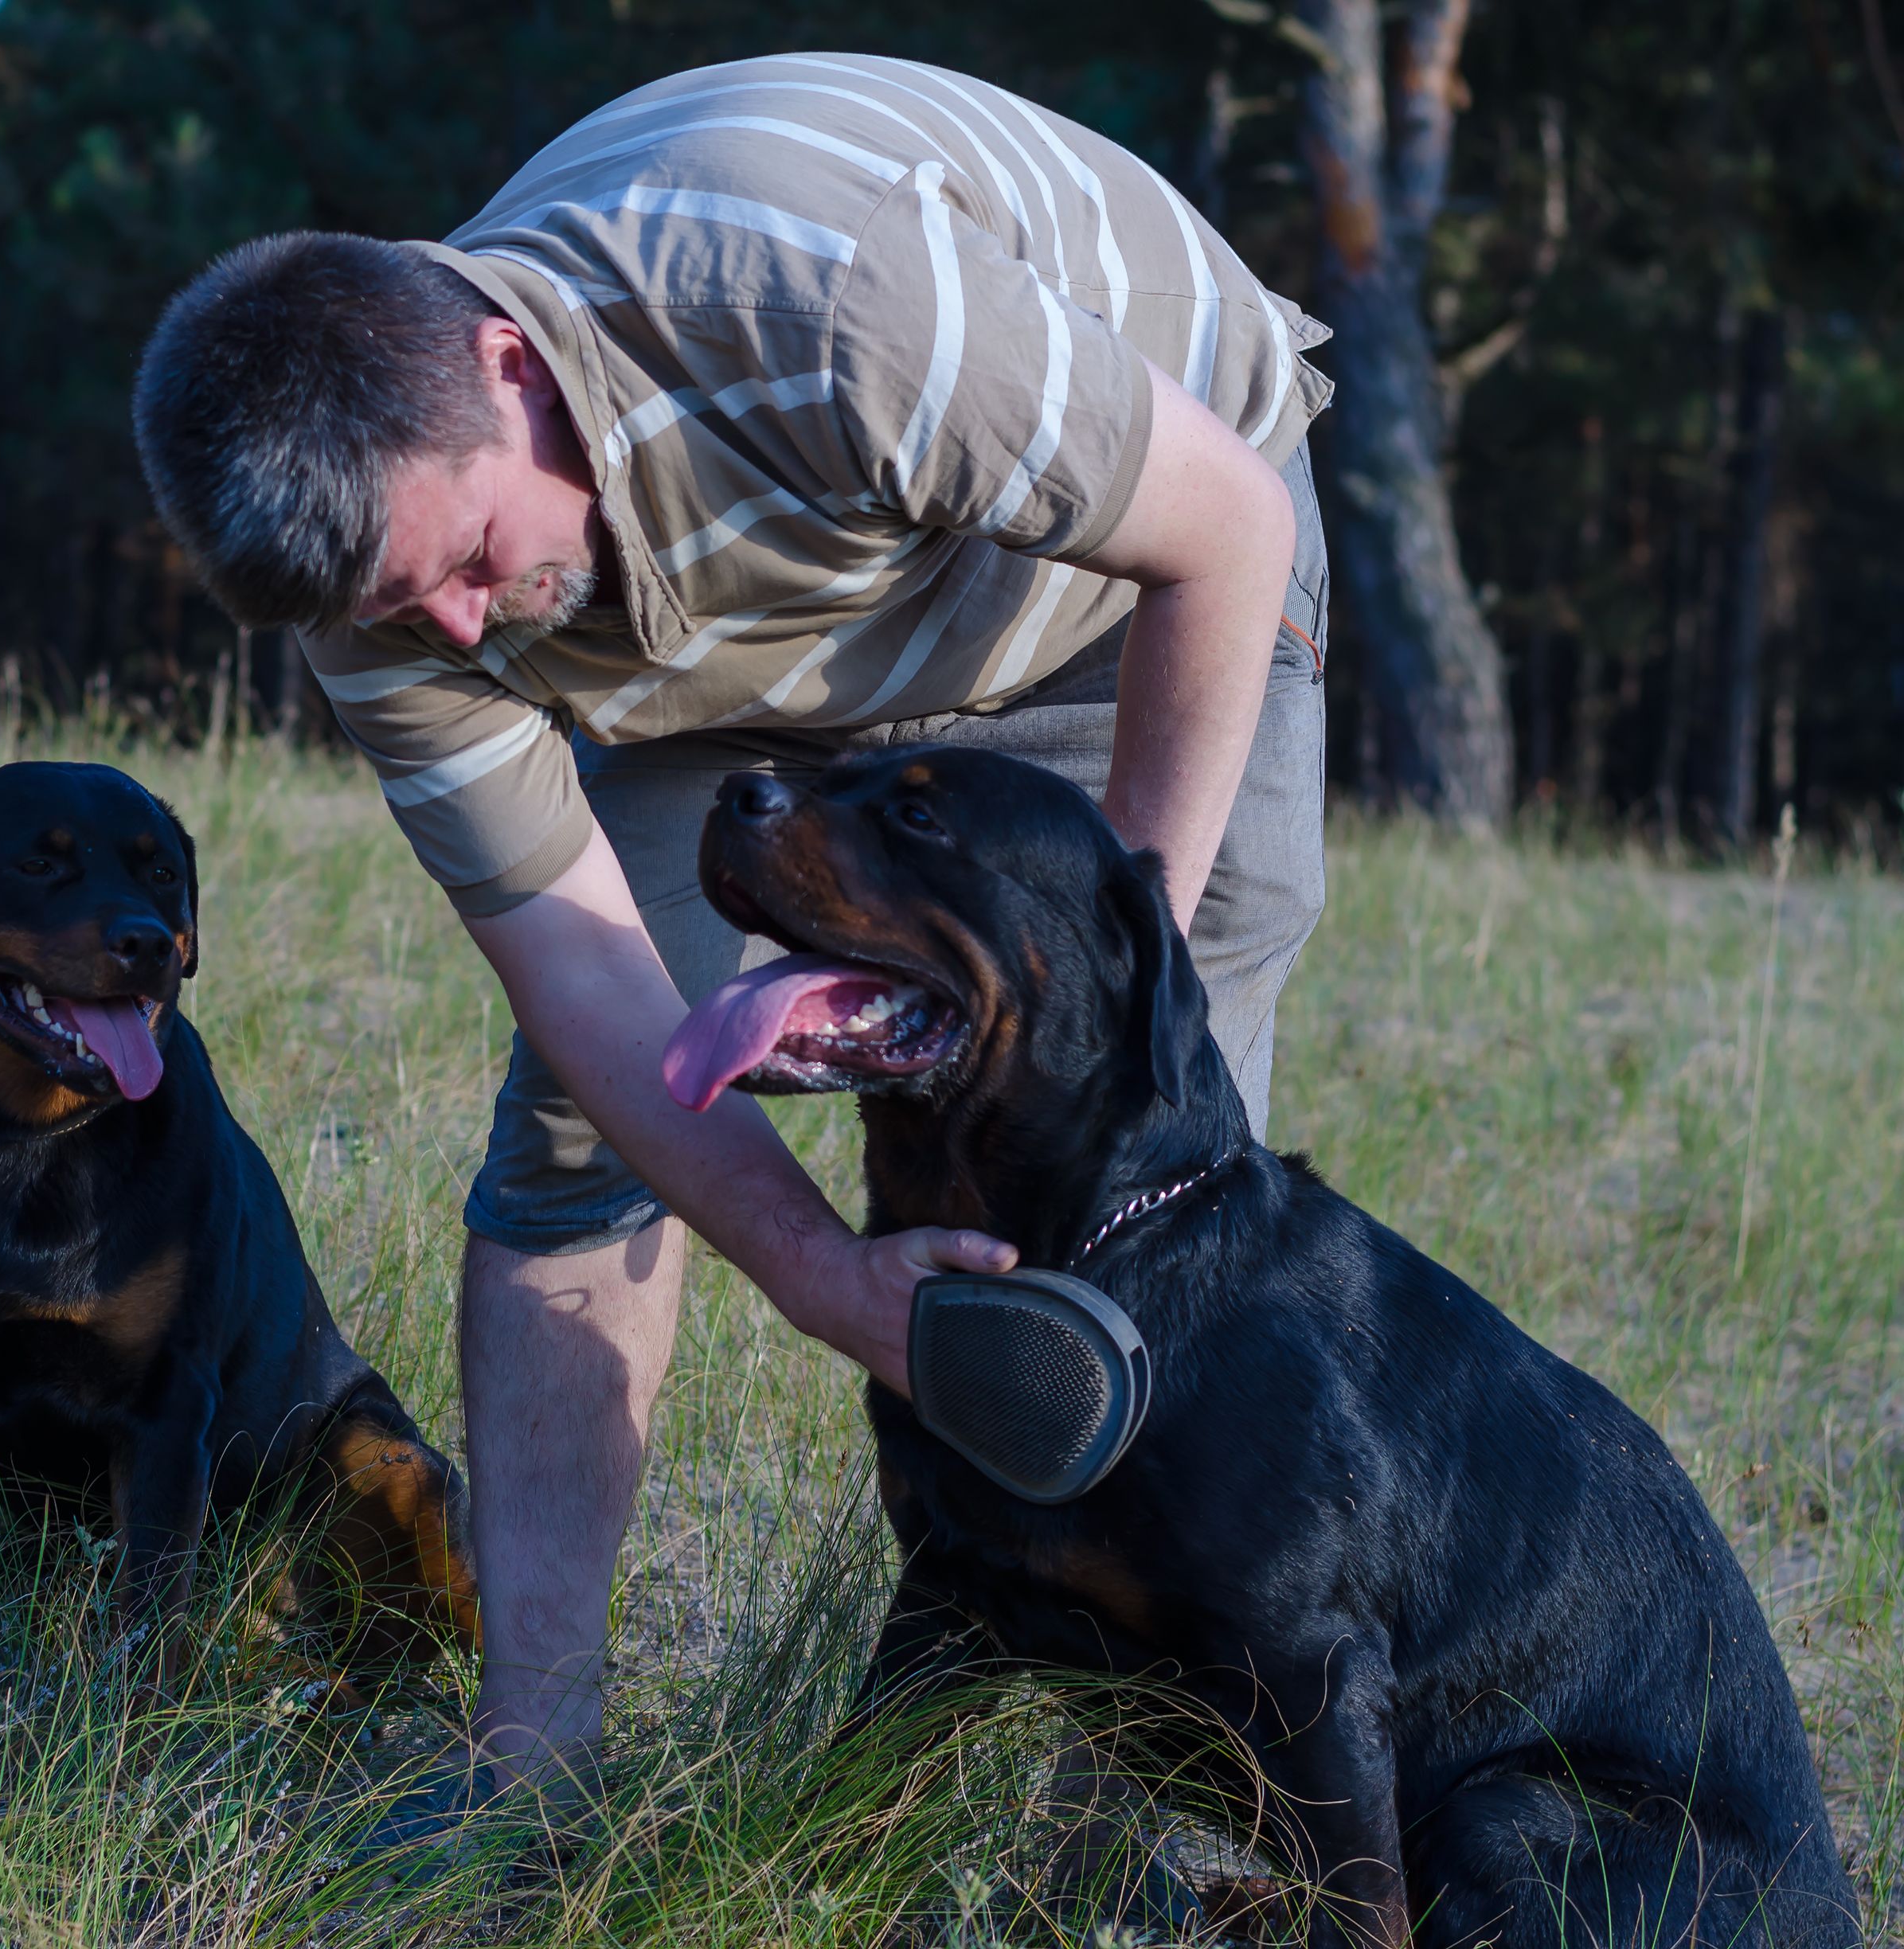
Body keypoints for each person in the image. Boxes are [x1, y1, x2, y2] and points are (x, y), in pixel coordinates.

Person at [131, 52, 1331, 1817]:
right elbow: (590, 976)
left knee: (1138, 1177)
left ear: (505, 363)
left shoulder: (823, 300)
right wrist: (820, 1272)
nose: (461, 634)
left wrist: (1098, 971)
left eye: (465, 559)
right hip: (734, 668)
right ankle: (533, 1752)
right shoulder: (382, 586)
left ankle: (1131, 1807)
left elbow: (1222, 527)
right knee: (569, 1139)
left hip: (1120, 580)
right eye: (410, 612)